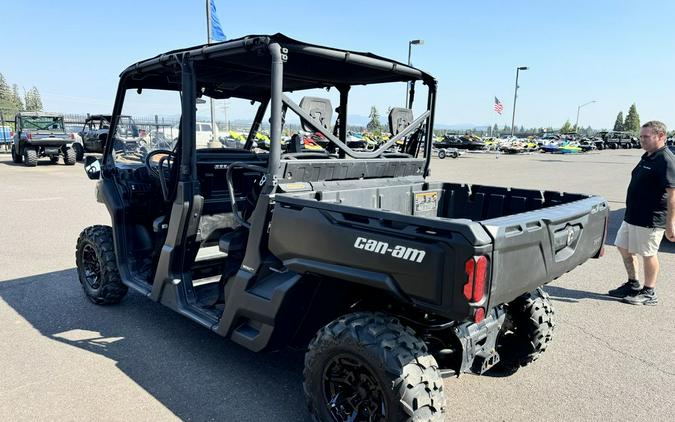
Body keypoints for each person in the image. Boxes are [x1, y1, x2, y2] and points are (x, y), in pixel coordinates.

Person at [609, 121, 675, 305]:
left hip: (651, 218)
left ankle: (649, 292)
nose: (641, 140)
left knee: (648, 253)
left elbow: (672, 195)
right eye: (641, 136)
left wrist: (670, 223)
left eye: (646, 136)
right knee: (623, 246)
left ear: (661, 136)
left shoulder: (666, 160)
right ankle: (633, 284)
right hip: (633, 216)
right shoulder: (648, 155)